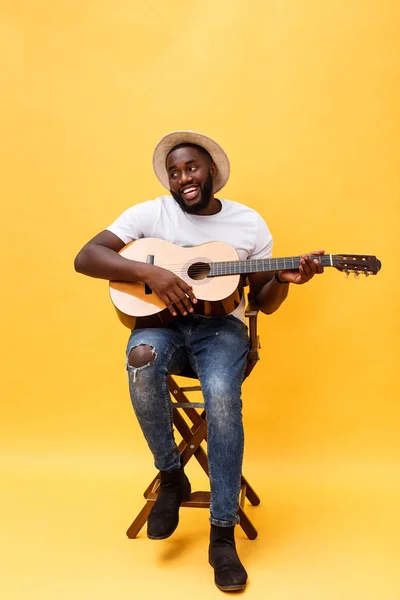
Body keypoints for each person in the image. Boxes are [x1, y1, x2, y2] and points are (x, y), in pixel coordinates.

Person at [74, 130, 324, 592]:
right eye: (174, 172)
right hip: (160, 326)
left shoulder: (248, 225)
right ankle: (172, 476)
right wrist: (151, 272)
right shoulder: (151, 212)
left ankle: (222, 534)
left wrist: (285, 280)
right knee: (141, 358)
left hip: (220, 330)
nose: (183, 178)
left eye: (191, 168)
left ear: (211, 171)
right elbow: (86, 257)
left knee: (224, 396)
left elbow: (264, 303)